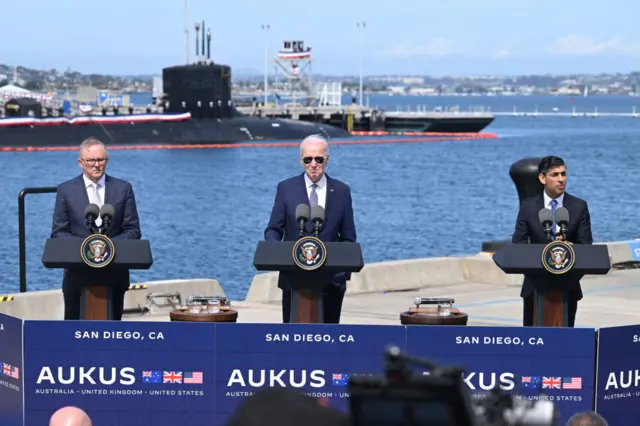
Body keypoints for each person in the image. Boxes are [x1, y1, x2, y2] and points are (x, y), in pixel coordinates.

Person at [264, 134, 357, 323]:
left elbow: (349, 237)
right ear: (301, 160)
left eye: (318, 159)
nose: (313, 164)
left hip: (330, 283)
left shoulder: (341, 191)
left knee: (327, 340)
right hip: (294, 280)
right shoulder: (286, 188)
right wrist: (277, 254)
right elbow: (273, 230)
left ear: (327, 160)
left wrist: (341, 274)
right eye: (308, 159)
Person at [51, 137, 142, 320]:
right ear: (80, 163)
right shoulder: (66, 190)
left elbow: (133, 230)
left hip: (114, 275)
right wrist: (89, 246)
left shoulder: (123, 189)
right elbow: (58, 233)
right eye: (91, 160)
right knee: (74, 332)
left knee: (111, 333)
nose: (96, 165)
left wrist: (107, 246)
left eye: (101, 160)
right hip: (77, 275)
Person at [512, 155, 593, 327]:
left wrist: (572, 251)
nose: (561, 179)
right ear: (542, 178)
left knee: (565, 343)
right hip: (534, 288)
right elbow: (518, 246)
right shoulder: (528, 207)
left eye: (563, 174)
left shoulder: (579, 207)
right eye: (555, 175)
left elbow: (587, 247)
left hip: (568, 287)